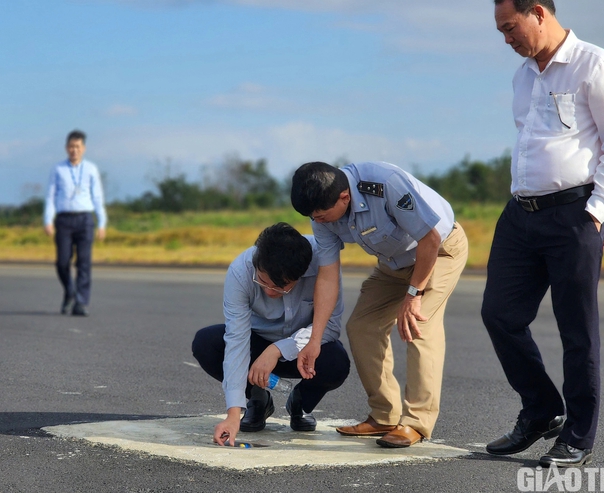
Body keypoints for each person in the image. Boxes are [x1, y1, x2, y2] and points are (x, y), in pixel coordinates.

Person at [483, 0, 604, 467]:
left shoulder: (595, 65)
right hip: (520, 214)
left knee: (576, 330)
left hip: (573, 216)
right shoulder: (523, 75)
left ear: (538, 12)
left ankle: (578, 437)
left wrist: (598, 213)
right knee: (499, 315)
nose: (506, 39)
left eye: (510, 28)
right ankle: (542, 409)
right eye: (501, 31)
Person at [291, 161, 468, 448]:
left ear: (344, 197)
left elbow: (430, 238)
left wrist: (413, 295)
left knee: (418, 324)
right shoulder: (320, 212)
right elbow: (328, 277)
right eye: (313, 217)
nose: (317, 221)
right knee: (362, 327)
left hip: (439, 253)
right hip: (394, 264)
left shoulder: (387, 184)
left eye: (321, 216)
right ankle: (385, 415)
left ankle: (416, 423)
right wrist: (315, 340)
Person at [191, 222, 350, 446]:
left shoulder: (323, 263)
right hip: (257, 342)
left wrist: (278, 350)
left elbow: (330, 326)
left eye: (281, 286)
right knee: (206, 344)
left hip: (304, 350)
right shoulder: (241, 271)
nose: (269, 291)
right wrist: (233, 414)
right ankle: (257, 399)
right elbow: (237, 338)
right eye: (263, 281)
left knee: (337, 363)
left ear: (302, 273)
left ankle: (301, 403)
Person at [43, 130, 108, 317]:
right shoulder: (58, 169)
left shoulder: (91, 169)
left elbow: (98, 197)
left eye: (78, 147)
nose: (74, 150)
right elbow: (50, 196)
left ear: (83, 148)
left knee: (84, 263)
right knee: (62, 262)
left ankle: (81, 302)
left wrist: (102, 222)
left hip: (85, 219)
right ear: (66, 148)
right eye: (71, 146)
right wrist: (48, 219)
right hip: (64, 219)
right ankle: (70, 291)